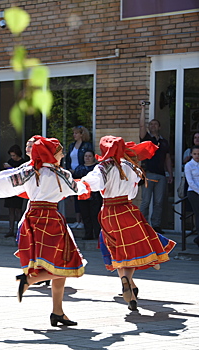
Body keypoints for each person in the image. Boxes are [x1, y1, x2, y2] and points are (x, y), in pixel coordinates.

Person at [0, 136, 88, 326]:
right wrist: (91, 184)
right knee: (68, 264)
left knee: (56, 265)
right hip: (51, 220)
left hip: (32, 218)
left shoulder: (30, 170)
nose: (62, 153)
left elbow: (5, 181)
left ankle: (58, 312)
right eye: (60, 151)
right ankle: (28, 280)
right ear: (52, 154)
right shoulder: (63, 174)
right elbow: (79, 189)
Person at [81, 135, 176, 311]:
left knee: (117, 249)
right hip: (126, 209)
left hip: (108, 212)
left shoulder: (103, 167)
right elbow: (132, 193)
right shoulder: (130, 166)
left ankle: (127, 285)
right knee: (131, 249)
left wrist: (77, 185)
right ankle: (129, 281)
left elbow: (91, 183)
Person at [139, 101, 173, 233]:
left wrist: (170, 174)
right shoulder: (147, 138)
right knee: (146, 201)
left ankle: (156, 226)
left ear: (159, 127)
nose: (153, 126)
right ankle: (142, 225)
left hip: (161, 175)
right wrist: (143, 108)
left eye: (155, 124)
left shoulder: (164, 141)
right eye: (151, 124)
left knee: (159, 202)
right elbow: (141, 125)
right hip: (149, 174)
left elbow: (167, 158)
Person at [65, 125, 93, 229]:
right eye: (74, 133)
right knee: (74, 196)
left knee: (82, 196)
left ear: (82, 134)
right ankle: (77, 220)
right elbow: (69, 159)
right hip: (72, 173)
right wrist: (68, 170)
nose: (74, 135)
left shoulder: (87, 146)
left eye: (76, 133)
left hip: (82, 173)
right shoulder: (72, 145)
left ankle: (83, 221)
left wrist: (77, 170)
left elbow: (87, 160)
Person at [73, 150, 102, 240]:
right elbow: (75, 181)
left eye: (89, 156)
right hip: (83, 196)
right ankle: (88, 234)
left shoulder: (97, 168)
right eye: (86, 156)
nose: (87, 158)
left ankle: (97, 234)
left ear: (93, 157)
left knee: (95, 216)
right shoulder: (79, 168)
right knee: (85, 216)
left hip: (95, 196)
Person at [2, 145, 26, 238]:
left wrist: (11, 168)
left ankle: (19, 230)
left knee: (18, 210)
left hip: (19, 188)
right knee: (11, 209)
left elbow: (21, 173)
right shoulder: (10, 162)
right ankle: (10, 229)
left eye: (14, 155)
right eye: (11, 155)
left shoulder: (23, 162)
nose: (12, 157)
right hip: (10, 188)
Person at [184, 145, 199, 247]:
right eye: (194, 154)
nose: (197, 156)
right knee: (198, 214)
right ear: (191, 154)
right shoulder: (189, 165)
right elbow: (190, 182)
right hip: (193, 193)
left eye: (198, 154)